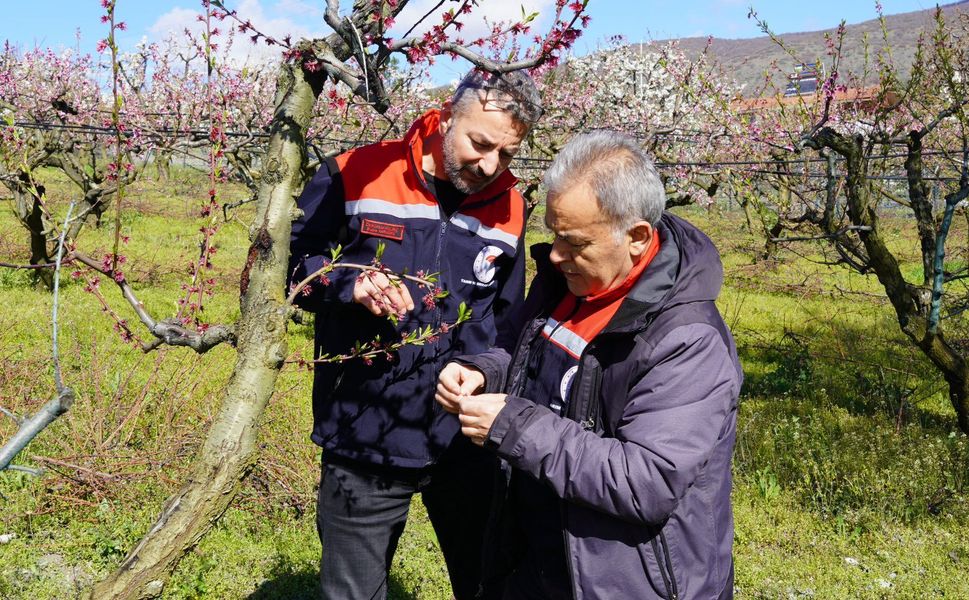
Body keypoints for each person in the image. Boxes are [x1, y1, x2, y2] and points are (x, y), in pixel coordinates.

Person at [437, 130, 742, 599]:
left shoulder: (686, 340)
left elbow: (645, 481)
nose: (556, 255)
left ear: (637, 237)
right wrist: (485, 371)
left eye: (575, 242)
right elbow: (522, 350)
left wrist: (514, 426)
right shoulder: (567, 283)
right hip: (535, 553)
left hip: (621, 579)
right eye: (554, 236)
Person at [288, 69, 542, 600]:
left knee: (489, 583)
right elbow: (286, 269)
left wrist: (480, 372)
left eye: (508, 154)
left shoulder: (512, 206)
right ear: (446, 117)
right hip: (364, 435)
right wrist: (348, 284)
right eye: (480, 143)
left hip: (467, 439)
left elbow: (508, 322)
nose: (491, 165)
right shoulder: (354, 173)